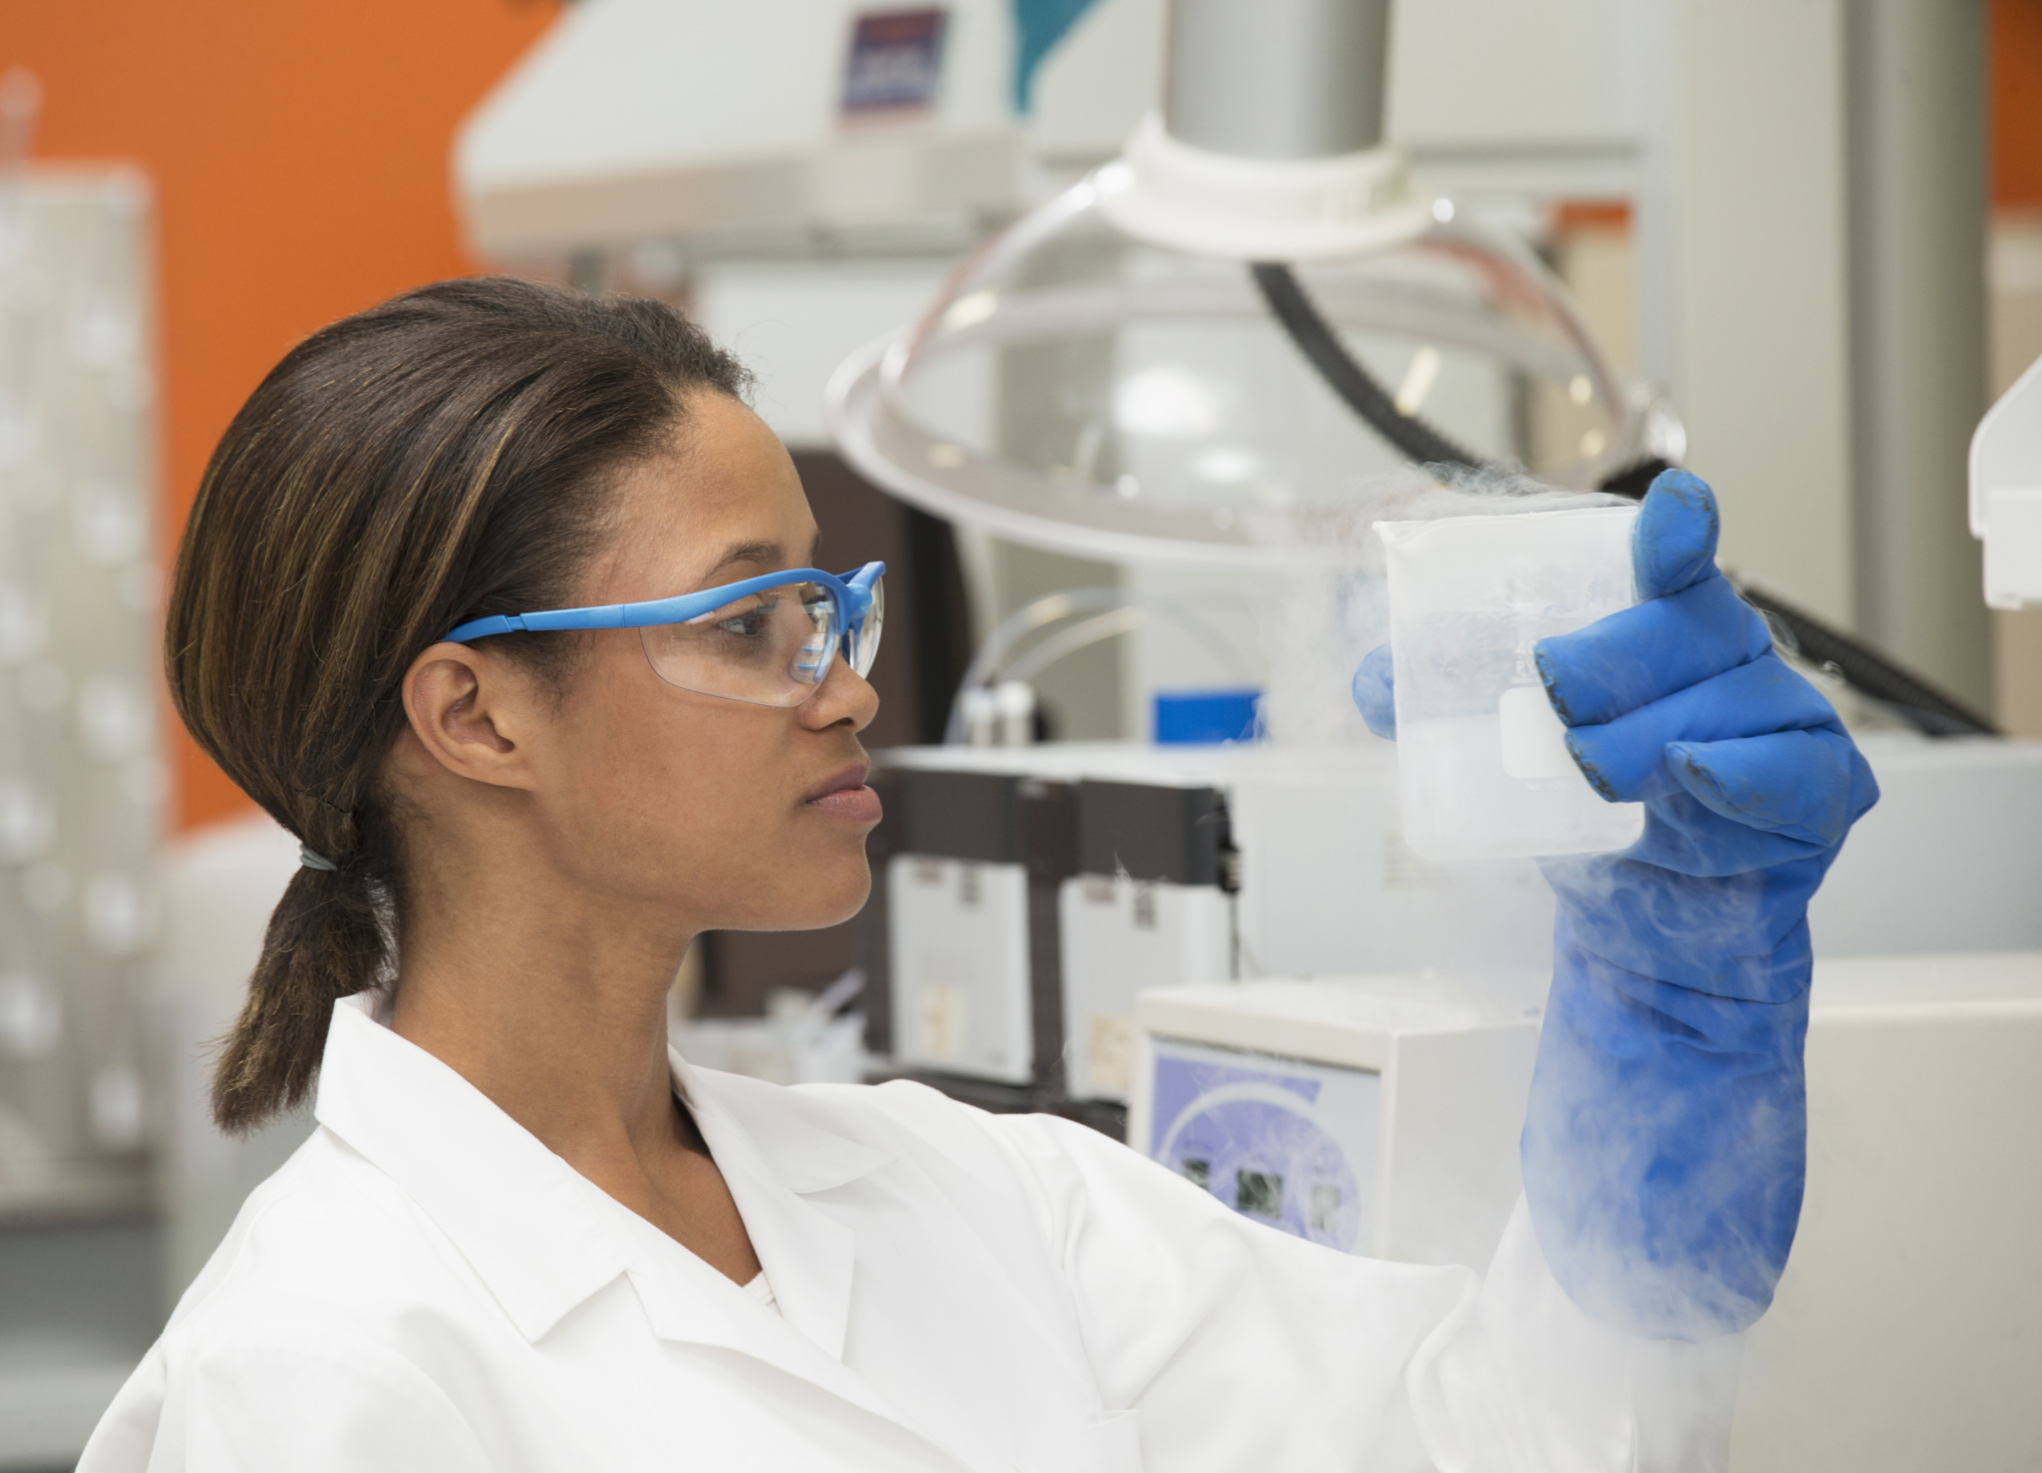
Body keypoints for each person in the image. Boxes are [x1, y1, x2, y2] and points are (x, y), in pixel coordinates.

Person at [81, 279, 1873, 1473]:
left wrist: (1665, 1020)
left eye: (830, 606)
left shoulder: (969, 1196)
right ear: (474, 715)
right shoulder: (318, 1375)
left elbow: (1485, 1441)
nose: (849, 683)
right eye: (749, 620)